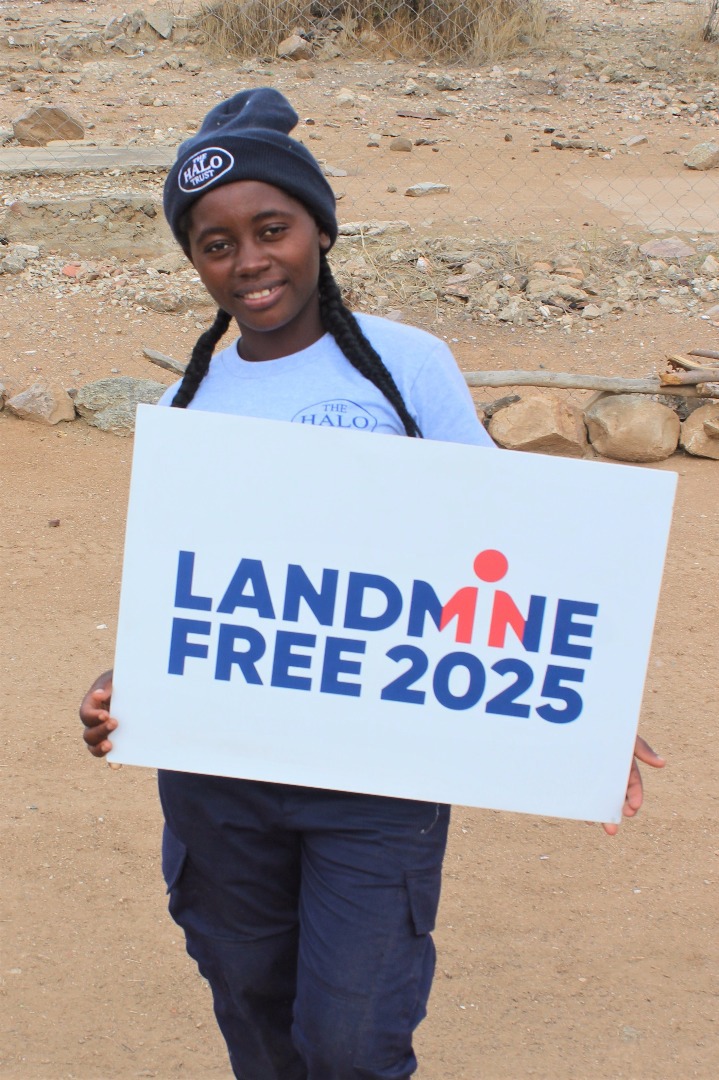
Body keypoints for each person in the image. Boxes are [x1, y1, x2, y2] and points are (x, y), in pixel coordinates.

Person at [80, 88, 665, 1080]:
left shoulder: (404, 368)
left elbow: (503, 541)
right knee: (252, 1000)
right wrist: (123, 681)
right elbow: (199, 592)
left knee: (349, 1039)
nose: (248, 261)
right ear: (194, 263)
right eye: (215, 245)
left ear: (320, 229)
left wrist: (581, 718)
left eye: (271, 229)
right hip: (224, 782)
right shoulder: (192, 402)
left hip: (377, 774)